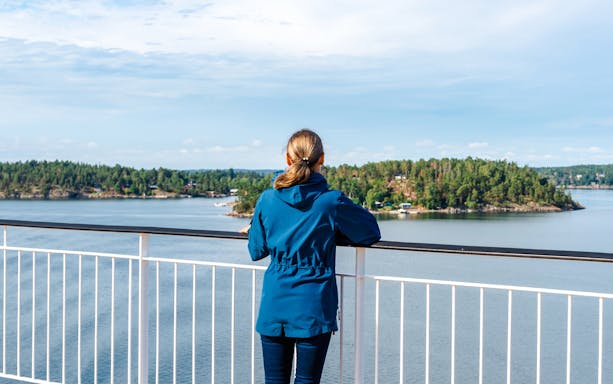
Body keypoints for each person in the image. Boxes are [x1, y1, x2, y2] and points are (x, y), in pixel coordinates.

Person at [243, 129, 381, 383]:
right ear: (323, 159)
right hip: (313, 304)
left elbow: (256, 250)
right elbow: (370, 232)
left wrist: (255, 226)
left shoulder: (267, 199)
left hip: (275, 302)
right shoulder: (331, 201)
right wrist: (330, 231)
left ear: (287, 159)